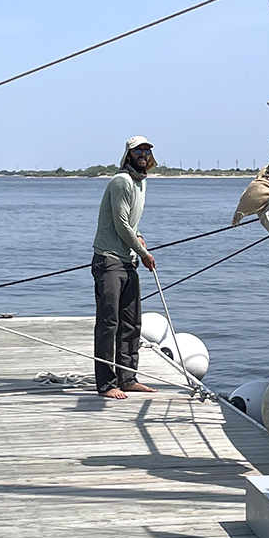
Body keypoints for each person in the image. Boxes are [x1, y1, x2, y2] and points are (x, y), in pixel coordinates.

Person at [91, 135, 158, 399]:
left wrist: (139, 238)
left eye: (147, 150)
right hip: (109, 260)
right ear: (128, 154)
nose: (143, 154)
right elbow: (120, 224)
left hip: (128, 260)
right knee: (109, 324)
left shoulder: (141, 183)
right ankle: (107, 384)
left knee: (132, 323)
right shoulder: (121, 181)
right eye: (138, 150)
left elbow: (132, 223)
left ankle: (128, 378)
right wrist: (144, 253)